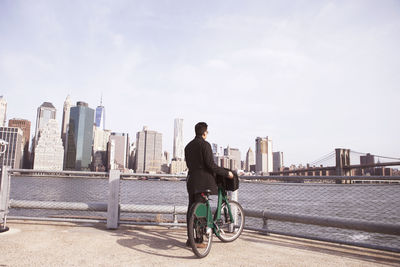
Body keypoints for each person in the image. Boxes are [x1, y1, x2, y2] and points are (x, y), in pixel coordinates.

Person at [184, 122, 233, 247]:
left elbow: (190, 165)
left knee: (191, 210)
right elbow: (210, 165)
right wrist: (226, 173)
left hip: (191, 181)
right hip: (203, 181)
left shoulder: (188, 146)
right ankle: (198, 241)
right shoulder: (205, 145)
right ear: (204, 133)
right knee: (201, 210)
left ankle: (190, 239)